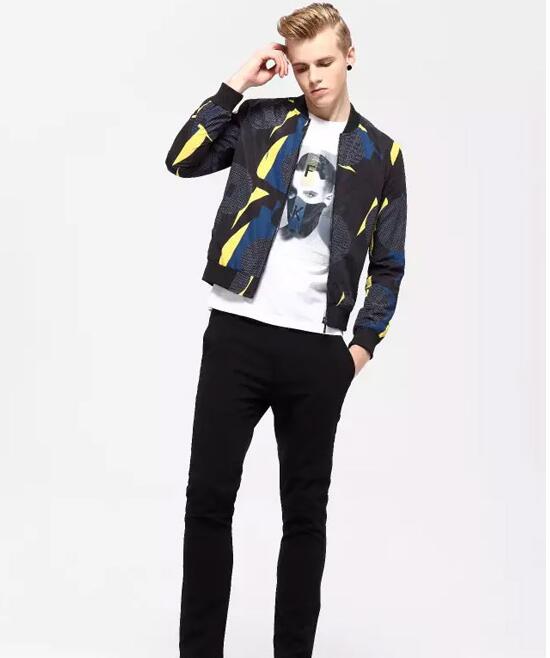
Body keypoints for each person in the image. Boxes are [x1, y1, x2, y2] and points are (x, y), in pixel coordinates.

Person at [164, 3, 407, 656]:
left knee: (304, 517)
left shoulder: (381, 154)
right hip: (237, 335)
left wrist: (359, 350)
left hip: (316, 355)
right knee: (207, 502)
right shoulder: (261, 122)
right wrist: (237, 83)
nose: (313, 77)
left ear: (349, 56)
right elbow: (182, 159)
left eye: (325, 62)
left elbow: (389, 264)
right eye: (301, 68)